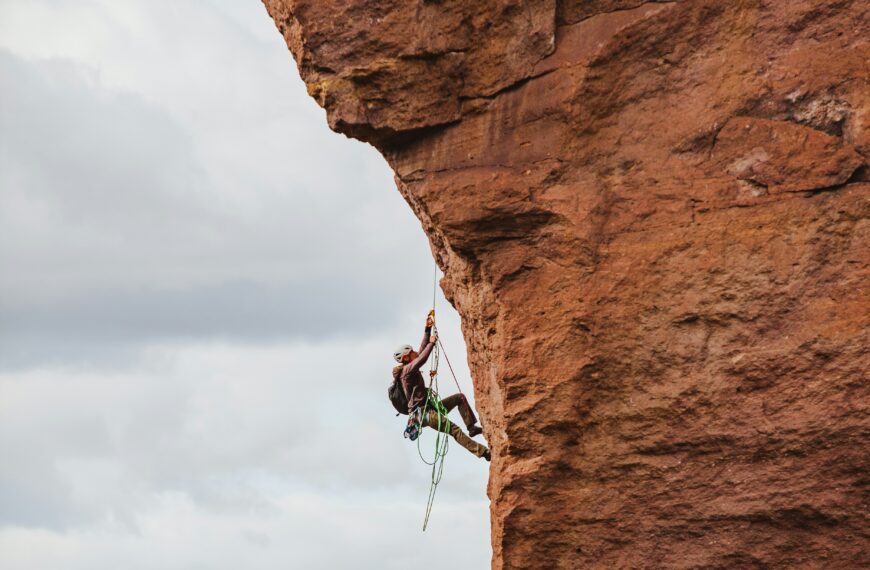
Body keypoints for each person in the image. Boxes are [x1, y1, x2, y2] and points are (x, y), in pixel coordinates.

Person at [391, 312, 490, 461]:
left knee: (459, 398)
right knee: (454, 430)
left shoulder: (409, 367)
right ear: (406, 358)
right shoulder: (407, 371)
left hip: (429, 408)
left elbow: (420, 352)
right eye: (412, 353)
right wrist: (432, 342)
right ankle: (483, 453)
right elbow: (422, 358)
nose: (416, 352)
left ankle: (472, 428)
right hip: (424, 413)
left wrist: (427, 329)